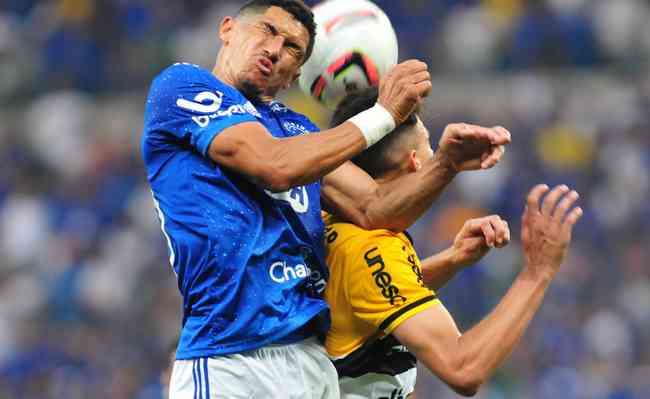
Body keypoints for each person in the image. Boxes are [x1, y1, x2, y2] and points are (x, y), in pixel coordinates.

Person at [141, 1, 510, 398]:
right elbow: (273, 165)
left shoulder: (296, 129)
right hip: (229, 360)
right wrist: (383, 114)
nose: (275, 49)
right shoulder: (182, 86)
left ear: (296, 76)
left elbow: (373, 208)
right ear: (227, 29)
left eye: (293, 49)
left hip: (312, 364)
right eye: (267, 30)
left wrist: (445, 164)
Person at [322, 89, 583, 398]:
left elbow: (370, 293)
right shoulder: (373, 246)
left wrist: (453, 259)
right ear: (416, 162)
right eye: (430, 145)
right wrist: (538, 272)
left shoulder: (334, 219)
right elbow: (463, 369)